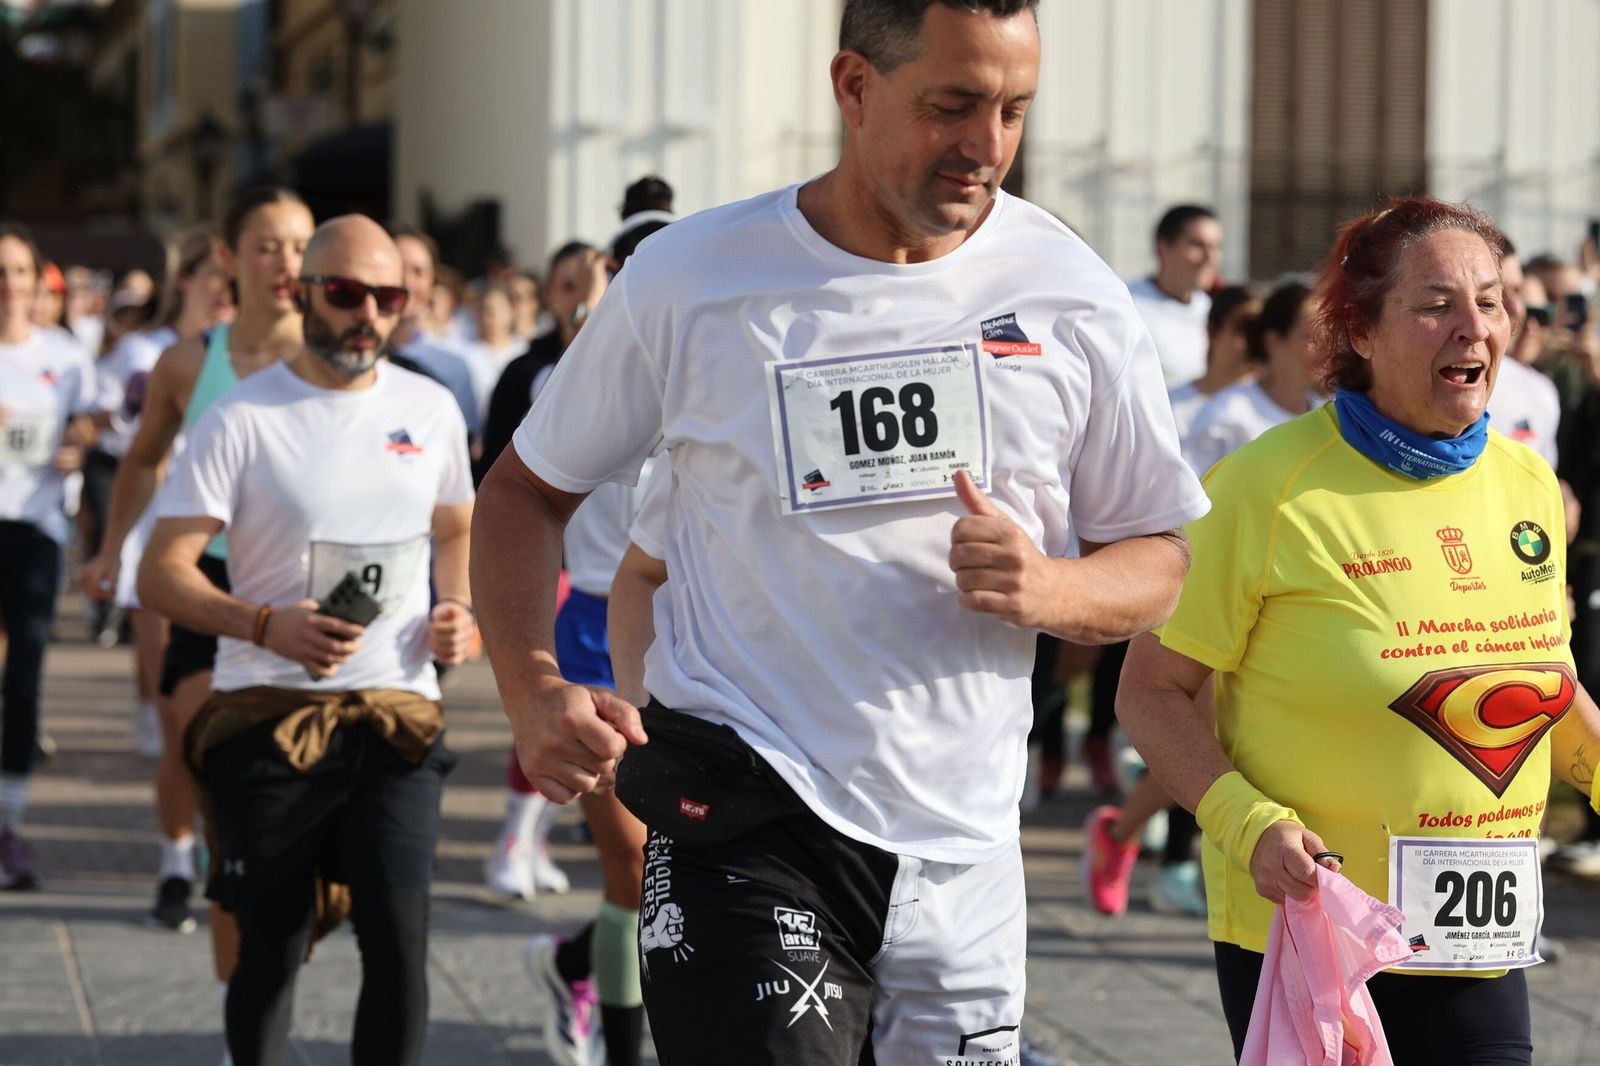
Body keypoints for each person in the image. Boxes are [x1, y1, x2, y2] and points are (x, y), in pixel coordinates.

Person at [471, 1, 1207, 1061]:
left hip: (964, 853)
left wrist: (1053, 590)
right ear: (853, 87)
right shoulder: (694, 278)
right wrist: (531, 685)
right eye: (950, 105)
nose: (984, 147)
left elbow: (1160, 561)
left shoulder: (1070, 292)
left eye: (1013, 111)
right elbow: (523, 493)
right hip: (744, 809)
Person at [1117, 197, 1600, 1064]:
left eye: (1490, 302)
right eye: (1434, 304)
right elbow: (1150, 690)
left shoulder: (1528, 483)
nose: (1472, 328)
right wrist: (1247, 821)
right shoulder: (1264, 486)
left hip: (1478, 942)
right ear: (1361, 331)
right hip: (1315, 927)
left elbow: (1546, 686)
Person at [139, 215, 476, 1066]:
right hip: (269, 717)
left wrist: (458, 609)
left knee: (399, 945)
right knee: (271, 953)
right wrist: (264, 623)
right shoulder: (243, 416)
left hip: (398, 715)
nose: (368, 312)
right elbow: (162, 573)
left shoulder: (429, 408)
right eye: (347, 292)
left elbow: (456, 526)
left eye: (388, 296)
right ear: (304, 292)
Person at [81, 186, 312, 949]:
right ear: (228, 257)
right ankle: (190, 868)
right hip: (199, 579)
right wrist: (115, 549)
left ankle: (247, 897)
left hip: (293, 586)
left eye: (300, 246)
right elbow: (142, 460)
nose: (286, 264)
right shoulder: (189, 362)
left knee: (267, 784)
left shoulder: (328, 360)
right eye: (268, 245)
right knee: (205, 757)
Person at [87, 226, 234, 756]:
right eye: (212, 276)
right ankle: (179, 830)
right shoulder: (145, 352)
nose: (223, 288)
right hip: (158, 529)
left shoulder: (254, 351)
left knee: (217, 702)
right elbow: (122, 441)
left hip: (229, 536)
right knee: (172, 697)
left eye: (229, 277)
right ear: (185, 280)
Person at [0, 224, 94, 889]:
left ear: (39, 283)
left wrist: (77, 445)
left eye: (20, 273)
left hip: (35, 530)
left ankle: (10, 825)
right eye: (0, 273)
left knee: (26, 674)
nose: (9, 286)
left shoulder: (62, 356)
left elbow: (89, 422)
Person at [1182, 280, 1321, 476]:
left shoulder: (1330, 416)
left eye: (1327, 336)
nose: (1324, 348)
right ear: (1273, 341)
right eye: (1310, 337)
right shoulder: (1227, 417)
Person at [386, 224, 479, 436]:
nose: (406, 281)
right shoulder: (353, 355)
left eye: (418, 271)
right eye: (398, 268)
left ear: (432, 282)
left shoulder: (454, 367)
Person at [1127, 204, 1224, 390]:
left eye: (1216, 246)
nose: (1210, 257)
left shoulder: (1211, 309)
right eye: (1198, 245)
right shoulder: (1129, 306)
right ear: (1163, 247)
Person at [1488, 242, 1560, 468]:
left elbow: (1543, 478)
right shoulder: (1450, 379)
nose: (1518, 311)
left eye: (1542, 315)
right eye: (1497, 291)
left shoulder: (1543, 391)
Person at [1165, 285, 1263, 441]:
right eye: (1245, 328)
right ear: (1212, 331)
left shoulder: (1274, 409)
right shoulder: (1170, 407)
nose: (1255, 341)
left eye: (1260, 331)